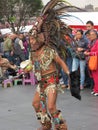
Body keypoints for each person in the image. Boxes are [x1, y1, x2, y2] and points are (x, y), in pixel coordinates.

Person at [84, 30, 98, 96]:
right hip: (92, 60)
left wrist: (90, 53)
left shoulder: (97, 42)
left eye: (93, 34)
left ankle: (97, 90)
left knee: (96, 76)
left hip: (96, 60)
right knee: (93, 76)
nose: (91, 36)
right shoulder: (91, 42)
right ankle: (95, 89)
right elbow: (88, 49)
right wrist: (86, 51)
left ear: (96, 35)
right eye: (90, 34)